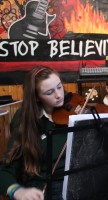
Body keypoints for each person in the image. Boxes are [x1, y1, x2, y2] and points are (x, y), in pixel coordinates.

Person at [0, 66, 67, 200]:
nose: (59, 95)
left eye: (60, 87)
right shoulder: (24, 119)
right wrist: (16, 190)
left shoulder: (72, 111)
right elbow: (6, 169)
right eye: (49, 92)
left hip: (78, 179)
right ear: (36, 97)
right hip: (46, 185)